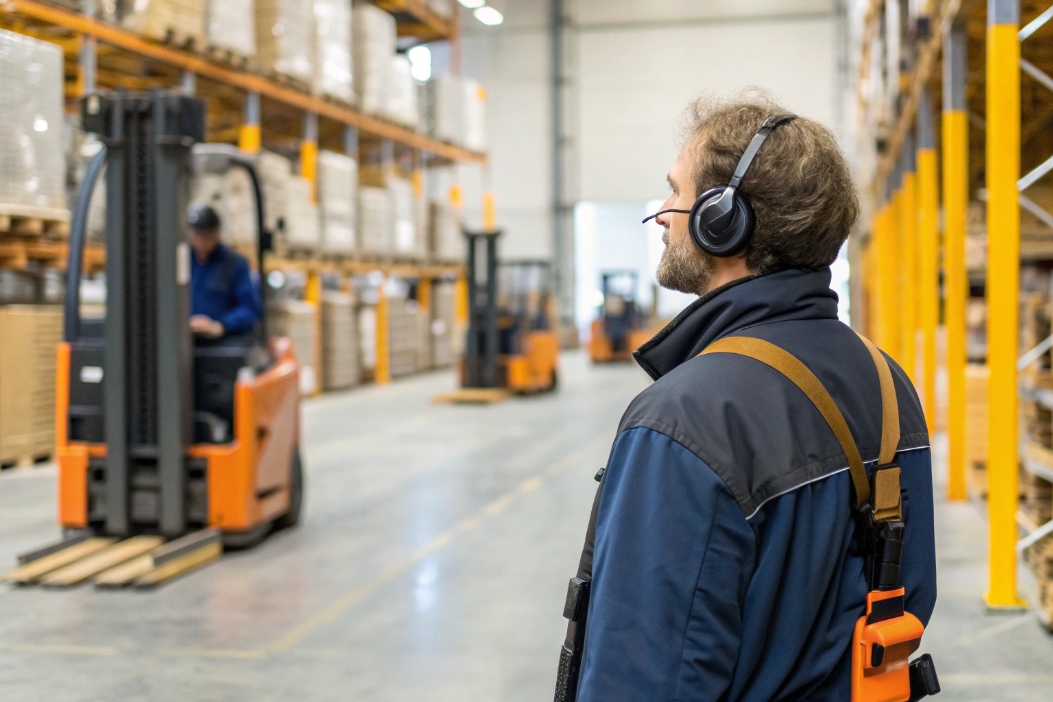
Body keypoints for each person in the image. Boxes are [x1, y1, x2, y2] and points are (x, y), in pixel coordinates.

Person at [568, 93, 937, 700]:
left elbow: (643, 677)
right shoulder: (887, 381)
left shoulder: (685, 420)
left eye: (676, 193)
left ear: (722, 220)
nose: (661, 214)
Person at [186, 203, 261, 339]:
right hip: (184, 341)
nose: (201, 242)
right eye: (197, 236)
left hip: (221, 342)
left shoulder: (234, 263)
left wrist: (220, 326)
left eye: (206, 236)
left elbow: (249, 309)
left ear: (217, 233)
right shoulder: (181, 260)